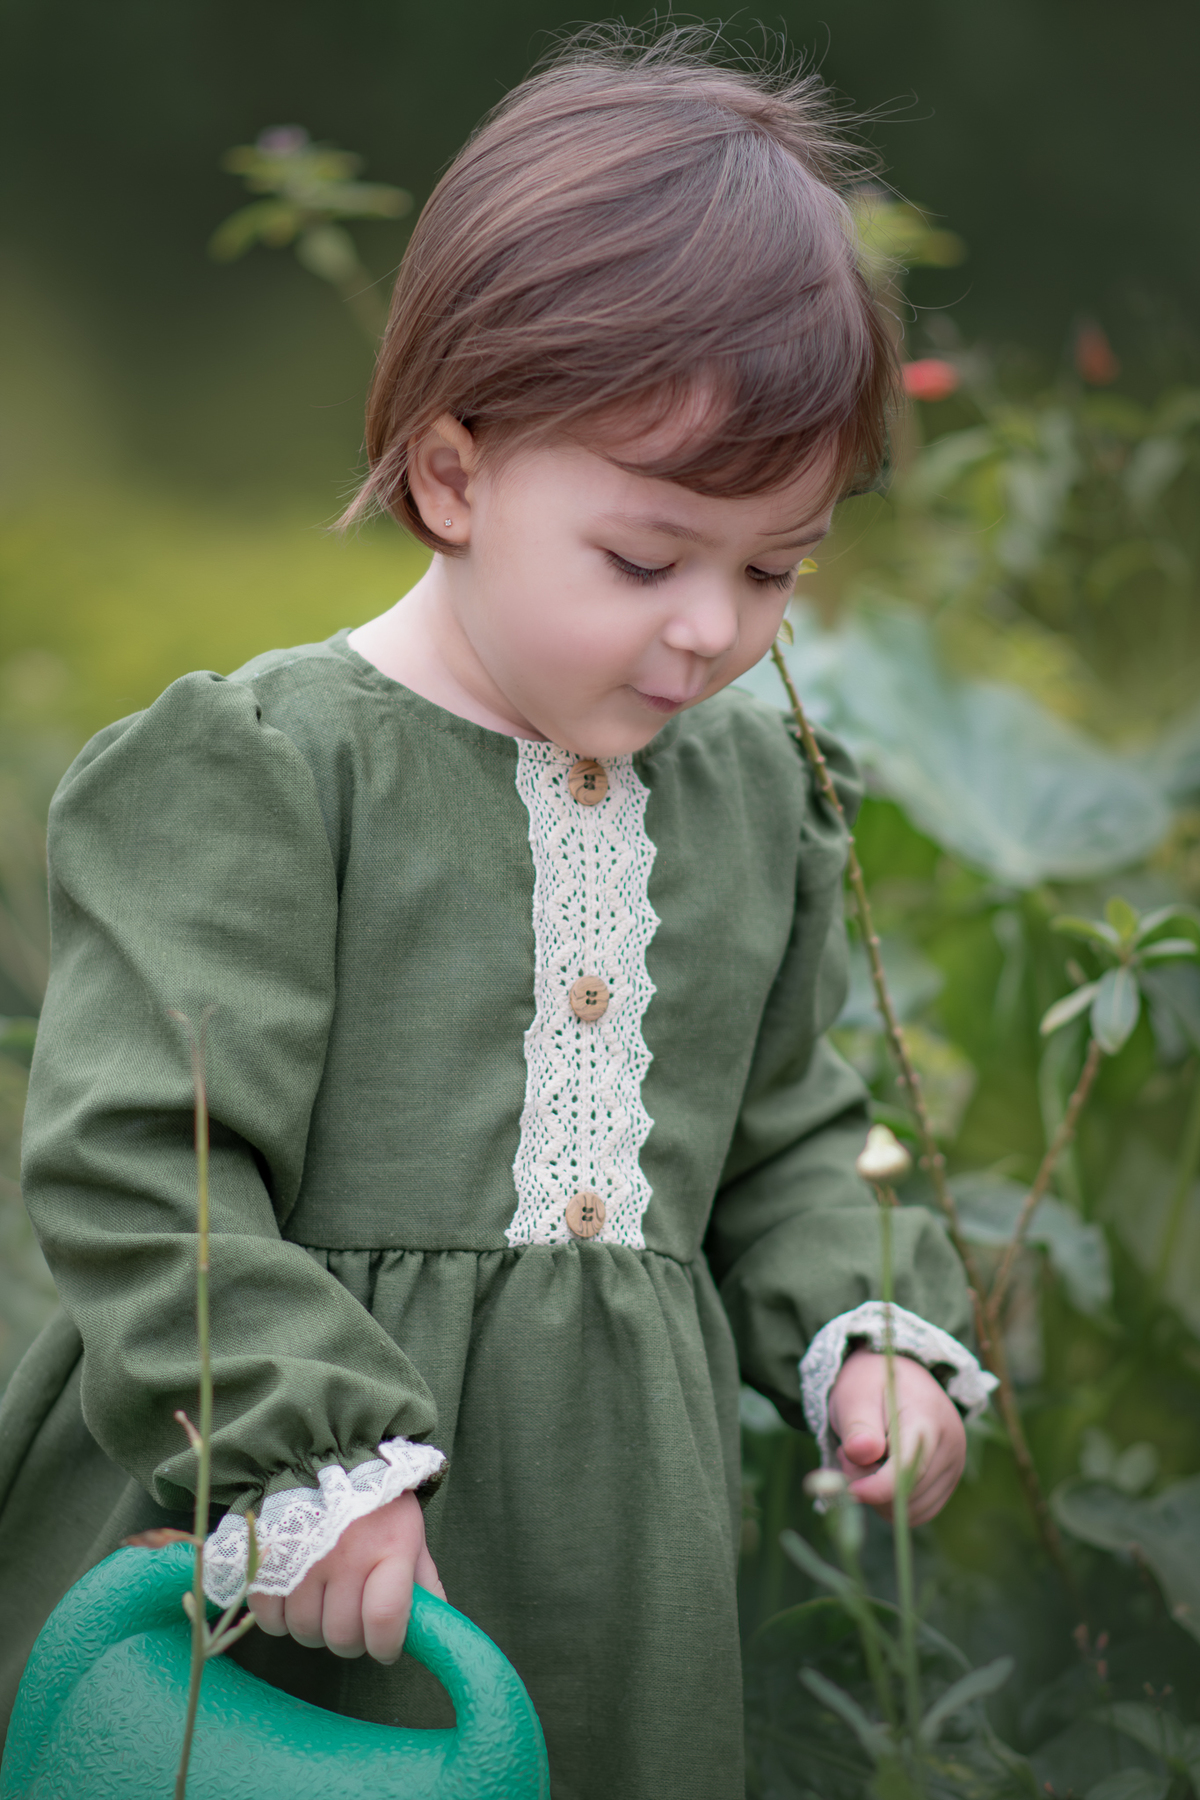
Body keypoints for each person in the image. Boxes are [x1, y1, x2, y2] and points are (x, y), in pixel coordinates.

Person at [0, 26, 993, 1798]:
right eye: (645, 558)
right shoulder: (269, 772)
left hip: (615, 1553)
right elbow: (142, 1157)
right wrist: (300, 1462)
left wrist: (870, 1335)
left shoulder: (756, 799)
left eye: (774, 566)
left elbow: (782, 1139)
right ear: (453, 478)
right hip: (284, 1553)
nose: (712, 630)